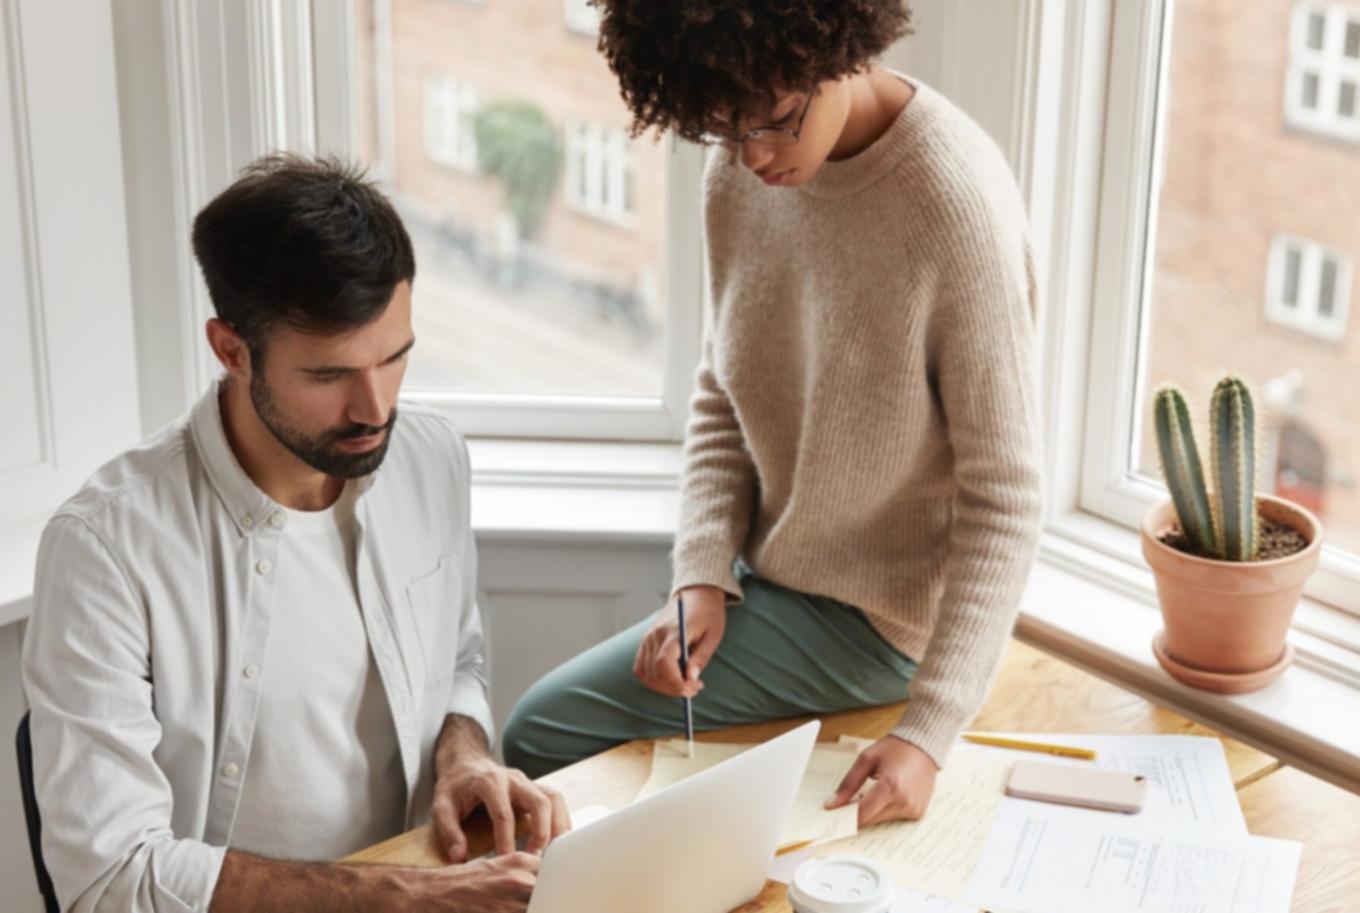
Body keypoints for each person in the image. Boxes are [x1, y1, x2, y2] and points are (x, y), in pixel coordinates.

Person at [503, 0, 1043, 829]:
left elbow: (1005, 498)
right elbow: (724, 388)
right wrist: (701, 576)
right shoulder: (740, 170)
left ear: (842, 50)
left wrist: (928, 735)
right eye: (723, 129)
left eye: (778, 122)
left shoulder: (952, 206)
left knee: (540, 730)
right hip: (771, 575)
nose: (753, 154)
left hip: (878, 619)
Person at [21, 154, 566, 913]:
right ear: (232, 349)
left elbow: (458, 660)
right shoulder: (103, 547)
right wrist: (393, 896)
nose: (374, 407)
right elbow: (111, 877)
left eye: (395, 358)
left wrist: (462, 753)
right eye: (328, 375)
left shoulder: (431, 459)